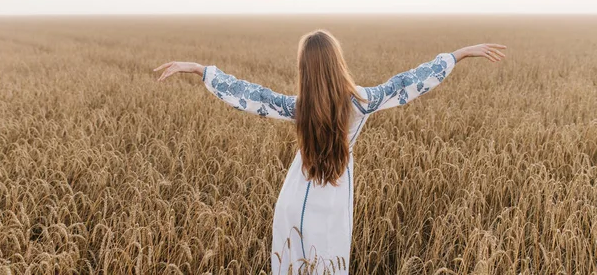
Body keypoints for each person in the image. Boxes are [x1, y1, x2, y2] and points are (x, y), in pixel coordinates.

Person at [153, 29, 506, 274]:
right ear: (337, 63)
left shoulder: (299, 106)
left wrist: (202, 70)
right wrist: (458, 55)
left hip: (293, 203)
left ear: (304, 69)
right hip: (333, 206)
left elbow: (252, 96)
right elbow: (407, 84)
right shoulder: (361, 102)